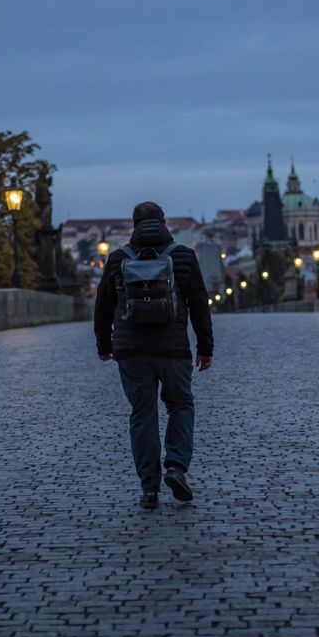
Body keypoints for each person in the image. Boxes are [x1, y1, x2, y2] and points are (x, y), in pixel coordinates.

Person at [94, 202, 214, 510]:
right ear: (164, 222)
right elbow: (200, 303)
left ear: (133, 225)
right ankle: (175, 467)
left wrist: (104, 345)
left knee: (143, 413)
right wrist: (205, 348)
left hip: (131, 352)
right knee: (181, 404)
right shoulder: (183, 256)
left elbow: (103, 306)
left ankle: (149, 489)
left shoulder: (118, 258)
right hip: (174, 350)